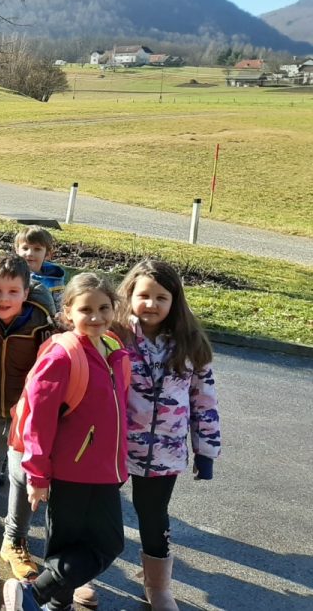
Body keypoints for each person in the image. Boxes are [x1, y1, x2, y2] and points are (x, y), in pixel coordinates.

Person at [2, 273, 131, 611]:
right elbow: (38, 422)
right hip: (70, 472)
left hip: (105, 469)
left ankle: (35, 596)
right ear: (68, 312)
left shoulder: (114, 348)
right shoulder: (62, 356)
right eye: (86, 309)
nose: (96, 317)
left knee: (107, 543)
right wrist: (38, 476)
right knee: (88, 545)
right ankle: (40, 598)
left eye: (104, 308)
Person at [117, 260, 220, 611]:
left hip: (165, 451)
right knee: (95, 511)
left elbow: (203, 399)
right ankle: (83, 573)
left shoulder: (190, 344)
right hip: (114, 446)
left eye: (161, 297)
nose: (151, 304)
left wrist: (205, 449)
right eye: (143, 295)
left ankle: (158, 586)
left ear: (175, 301)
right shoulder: (114, 335)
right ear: (129, 295)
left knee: (155, 516)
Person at [0, 254, 52, 582]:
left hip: (24, 415)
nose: (4, 298)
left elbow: (50, 372)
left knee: (19, 474)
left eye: (13, 291)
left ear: (26, 293)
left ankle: (14, 539)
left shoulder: (41, 326)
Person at [15, 226, 66, 310]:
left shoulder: (54, 280)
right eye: (25, 248)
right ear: (17, 250)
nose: (30, 253)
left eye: (37, 249)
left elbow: (59, 307)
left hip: (43, 321)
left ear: (47, 254)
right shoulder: (11, 275)